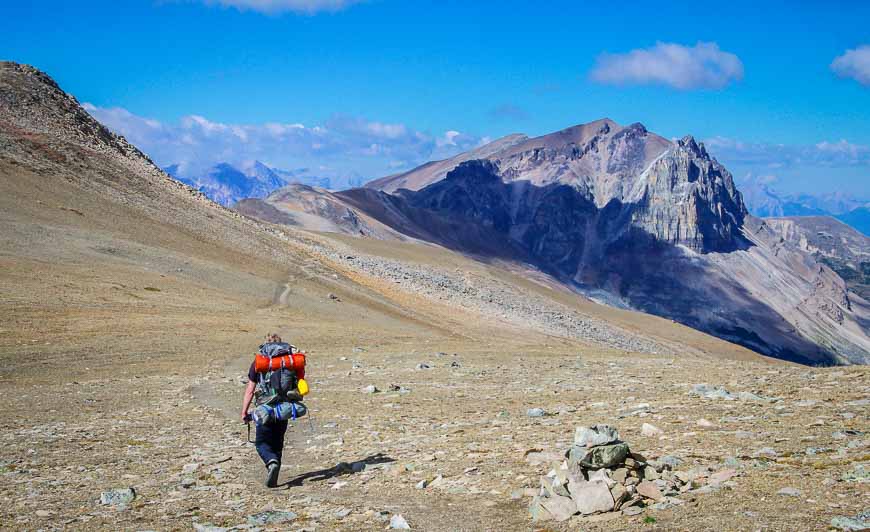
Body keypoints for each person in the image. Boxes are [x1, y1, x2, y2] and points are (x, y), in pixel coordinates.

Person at [241, 333, 300, 487]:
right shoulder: (289, 362)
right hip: (284, 408)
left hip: (265, 408)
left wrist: (244, 412)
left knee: (261, 442)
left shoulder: (260, 362)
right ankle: (275, 469)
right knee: (278, 441)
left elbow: (250, 389)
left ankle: (270, 462)